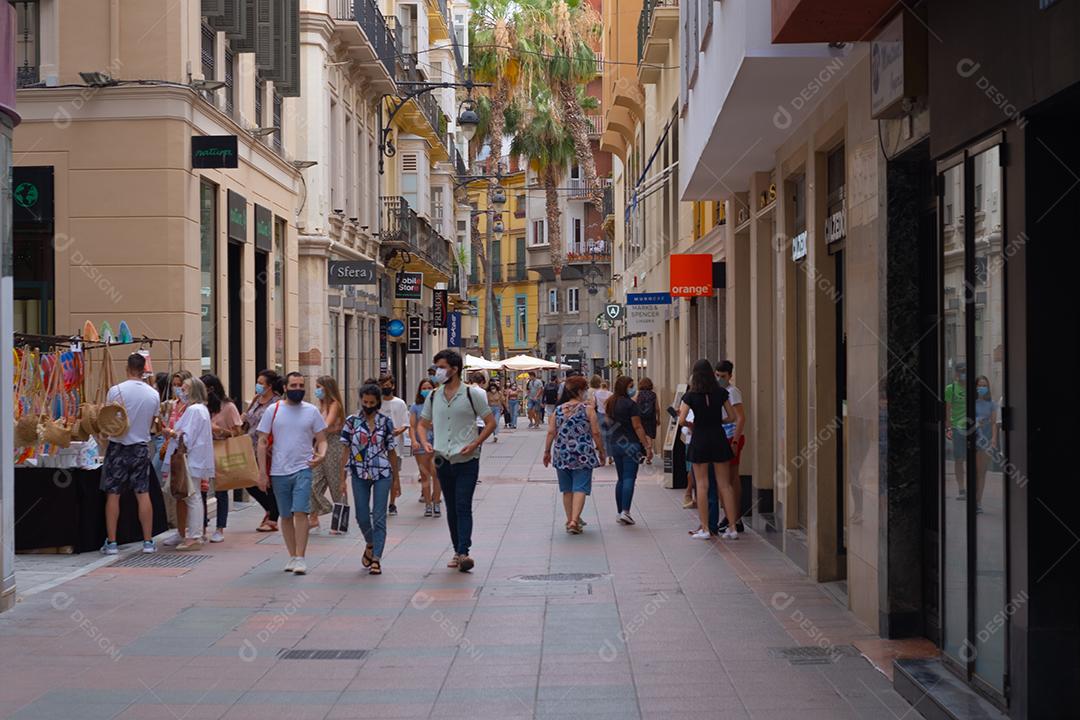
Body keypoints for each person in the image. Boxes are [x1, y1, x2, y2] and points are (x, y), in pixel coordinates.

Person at [418, 349, 495, 573]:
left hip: (467, 459)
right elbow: (422, 424)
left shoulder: (473, 395)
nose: (437, 372)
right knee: (451, 506)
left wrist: (475, 442)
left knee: (463, 504)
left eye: (441, 367)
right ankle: (457, 550)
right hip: (443, 459)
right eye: (436, 368)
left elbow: (490, 422)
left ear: (454, 369)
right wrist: (424, 442)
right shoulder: (433, 396)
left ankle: (464, 551)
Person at [256, 372, 328, 575]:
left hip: (303, 468)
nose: (298, 389)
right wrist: (262, 472)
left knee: (301, 512)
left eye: (301, 385)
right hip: (278, 471)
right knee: (286, 515)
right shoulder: (273, 409)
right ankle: (292, 556)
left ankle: (301, 557)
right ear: (285, 388)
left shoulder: (311, 411)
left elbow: (322, 439)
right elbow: (262, 441)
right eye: (294, 385)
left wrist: (321, 455)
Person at [99, 353, 162, 555]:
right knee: (143, 493)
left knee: (113, 494)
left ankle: (112, 542)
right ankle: (148, 541)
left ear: (127, 368)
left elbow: (109, 418)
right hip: (140, 446)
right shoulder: (153, 394)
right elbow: (154, 422)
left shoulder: (115, 390)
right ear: (144, 370)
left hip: (118, 445)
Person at [340, 384, 398, 575]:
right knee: (362, 515)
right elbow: (346, 449)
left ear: (378, 403)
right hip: (358, 473)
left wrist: (395, 480)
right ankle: (370, 543)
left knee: (379, 517)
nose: (368, 405)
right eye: (365, 402)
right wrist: (342, 478)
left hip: (382, 473)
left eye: (372, 403)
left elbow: (391, 451)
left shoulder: (386, 422)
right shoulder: (351, 422)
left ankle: (377, 558)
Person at [678, 359, 739, 540]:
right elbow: (732, 416)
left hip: (700, 439)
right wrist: (719, 422)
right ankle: (733, 528)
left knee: (702, 485)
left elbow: (681, 420)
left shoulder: (690, 395)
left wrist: (692, 424)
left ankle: (705, 528)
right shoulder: (721, 392)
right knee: (725, 484)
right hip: (719, 438)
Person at [543, 375, 604, 534]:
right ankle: (574, 521)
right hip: (583, 453)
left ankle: (570, 519)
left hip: (562, 453)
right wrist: (602, 451)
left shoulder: (558, 410)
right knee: (580, 487)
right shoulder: (588, 409)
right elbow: (596, 433)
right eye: (584, 390)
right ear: (579, 391)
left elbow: (551, 432)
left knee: (567, 489)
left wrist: (546, 451)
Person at [164, 377, 215, 551]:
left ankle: (194, 536)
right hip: (196, 459)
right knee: (195, 497)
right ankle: (195, 534)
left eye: (185, 389)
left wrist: (171, 433)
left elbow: (187, 437)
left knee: (192, 498)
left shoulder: (194, 410)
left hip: (191, 459)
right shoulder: (201, 410)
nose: (181, 392)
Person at [606, 376, 653, 524]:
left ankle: (620, 511)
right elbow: (637, 426)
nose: (634, 389)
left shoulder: (611, 403)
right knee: (629, 478)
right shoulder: (631, 405)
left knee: (621, 478)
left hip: (615, 442)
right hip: (631, 444)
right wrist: (647, 445)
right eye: (631, 385)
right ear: (625, 387)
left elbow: (607, 422)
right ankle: (625, 511)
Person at [202, 374, 243, 543]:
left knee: (221, 489)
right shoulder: (201, 406)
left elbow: (238, 433)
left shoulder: (228, 407)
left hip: (221, 448)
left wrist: (220, 430)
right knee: (202, 490)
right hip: (204, 449)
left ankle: (220, 528)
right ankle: (202, 526)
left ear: (211, 389)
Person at [243, 370, 282, 532]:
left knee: (268, 482)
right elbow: (248, 418)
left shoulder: (277, 403)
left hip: (267, 447)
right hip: (250, 445)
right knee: (249, 481)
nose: (258, 386)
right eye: (257, 382)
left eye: (261, 383)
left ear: (270, 386)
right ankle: (269, 509)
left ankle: (273, 518)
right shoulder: (256, 399)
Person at [309, 375, 346, 533]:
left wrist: (312, 429)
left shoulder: (334, 404)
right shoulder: (321, 406)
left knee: (336, 484)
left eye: (319, 387)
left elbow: (326, 424)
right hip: (320, 445)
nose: (316, 390)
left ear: (327, 388)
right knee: (312, 482)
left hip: (334, 446)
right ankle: (317, 514)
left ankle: (340, 523)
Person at [715, 361, 746, 533]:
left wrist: (735, 441)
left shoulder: (733, 392)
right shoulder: (720, 392)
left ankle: (735, 517)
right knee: (725, 480)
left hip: (731, 437)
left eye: (723, 376)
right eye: (717, 375)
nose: (720, 379)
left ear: (730, 376)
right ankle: (729, 514)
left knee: (731, 479)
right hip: (722, 437)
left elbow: (741, 417)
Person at [378, 374, 409, 516]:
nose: (386, 388)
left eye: (388, 385)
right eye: (383, 385)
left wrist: (398, 431)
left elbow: (405, 423)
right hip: (378, 446)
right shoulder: (376, 403)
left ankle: (392, 503)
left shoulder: (400, 403)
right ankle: (380, 503)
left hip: (396, 445)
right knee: (378, 475)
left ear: (393, 386)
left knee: (392, 475)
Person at [410, 379, 440, 517]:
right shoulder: (416, 407)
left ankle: (436, 501)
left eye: (429, 387)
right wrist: (414, 441)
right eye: (424, 388)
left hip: (437, 444)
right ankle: (428, 504)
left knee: (437, 474)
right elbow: (412, 426)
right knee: (425, 475)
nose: (426, 390)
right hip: (421, 445)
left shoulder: (440, 405)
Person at [973, 375, 998, 515]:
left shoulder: (992, 403)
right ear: (976, 387)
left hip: (986, 439)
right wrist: (977, 422)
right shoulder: (972, 403)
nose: (982, 388)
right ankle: (974, 499)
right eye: (980, 385)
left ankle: (978, 502)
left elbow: (994, 423)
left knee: (982, 472)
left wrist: (994, 439)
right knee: (976, 472)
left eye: (984, 385)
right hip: (975, 437)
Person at [944, 362, 967, 499]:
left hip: (972, 428)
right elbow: (947, 409)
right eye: (960, 371)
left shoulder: (974, 387)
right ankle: (961, 489)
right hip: (958, 428)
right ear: (956, 373)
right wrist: (948, 428)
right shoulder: (951, 388)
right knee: (959, 459)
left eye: (965, 371)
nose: (962, 374)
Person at [635, 377, 660, 465]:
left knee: (641, 435)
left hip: (640, 418)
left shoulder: (638, 394)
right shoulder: (653, 395)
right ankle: (649, 455)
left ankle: (642, 454)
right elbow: (657, 408)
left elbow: (634, 406)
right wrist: (658, 418)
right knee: (649, 435)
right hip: (651, 418)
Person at [593, 379, 613, 464]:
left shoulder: (596, 393)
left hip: (600, 415)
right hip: (609, 416)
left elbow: (594, 404)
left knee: (602, 436)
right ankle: (611, 456)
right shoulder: (610, 394)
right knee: (610, 436)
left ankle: (603, 457)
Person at [485, 377, 505, 443]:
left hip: (497, 408)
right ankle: (494, 435)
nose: (493, 390)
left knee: (496, 422)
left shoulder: (499, 393)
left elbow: (502, 400)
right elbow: (486, 402)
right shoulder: (488, 394)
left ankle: (496, 435)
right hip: (490, 409)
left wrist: (503, 407)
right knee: (492, 423)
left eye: (494, 388)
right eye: (491, 389)